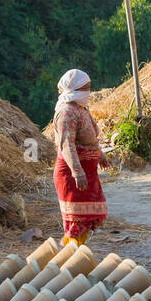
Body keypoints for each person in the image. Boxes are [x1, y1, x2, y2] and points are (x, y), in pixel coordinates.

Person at [53, 69, 108, 246]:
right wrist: (77, 172)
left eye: (89, 88)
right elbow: (66, 144)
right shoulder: (66, 113)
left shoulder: (81, 109)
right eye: (85, 88)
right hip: (72, 176)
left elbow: (89, 138)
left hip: (88, 173)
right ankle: (70, 256)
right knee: (77, 220)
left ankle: (73, 252)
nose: (88, 92)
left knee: (86, 218)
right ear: (74, 89)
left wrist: (100, 154)